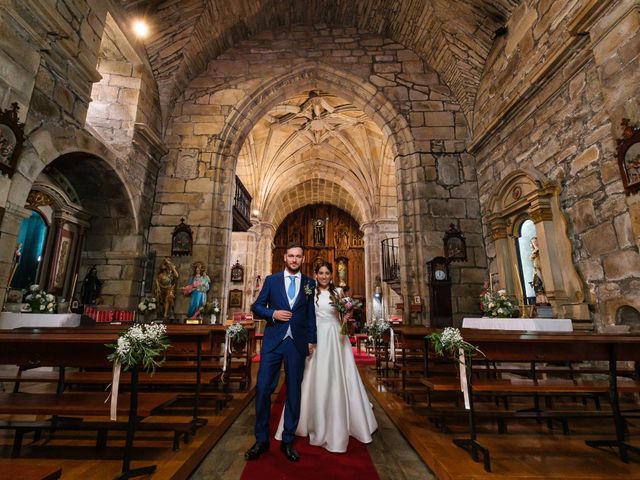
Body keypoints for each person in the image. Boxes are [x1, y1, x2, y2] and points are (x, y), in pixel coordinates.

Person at [275, 261, 377, 452]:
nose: (324, 276)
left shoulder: (338, 293)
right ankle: (308, 420)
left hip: (336, 337)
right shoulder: (309, 292)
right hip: (316, 337)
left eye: (327, 273)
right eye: (320, 273)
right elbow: (303, 315)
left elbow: (341, 316)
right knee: (313, 376)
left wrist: (345, 316)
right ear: (315, 274)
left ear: (332, 275)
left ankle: (344, 416)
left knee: (339, 375)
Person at [246, 242, 317, 463]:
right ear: (284, 257)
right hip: (274, 342)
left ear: (303, 259)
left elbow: (310, 314)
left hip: (297, 344)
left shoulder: (309, 283)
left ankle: (287, 440)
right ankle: (261, 439)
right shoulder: (271, 280)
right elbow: (256, 306)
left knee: (294, 391)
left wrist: (312, 340)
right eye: (291, 256)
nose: (295, 259)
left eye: (298, 256)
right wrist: (273, 313)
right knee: (264, 389)